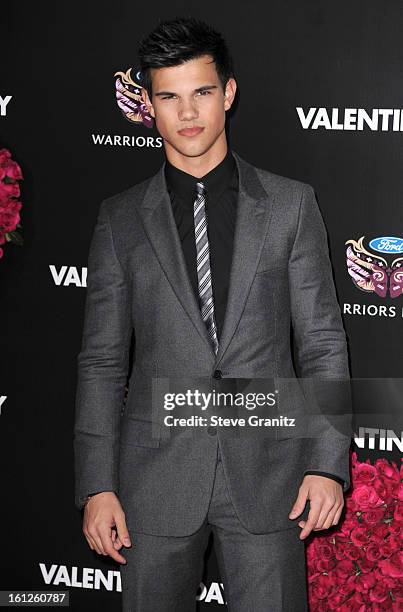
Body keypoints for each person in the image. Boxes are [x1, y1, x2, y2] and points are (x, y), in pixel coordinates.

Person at [74, 16, 352, 612]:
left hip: (270, 475)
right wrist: (97, 485)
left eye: (201, 92)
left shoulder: (290, 206)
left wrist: (327, 464)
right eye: (169, 97)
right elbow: (101, 360)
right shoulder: (120, 219)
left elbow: (324, 342)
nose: (188, 113)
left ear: (228, 92)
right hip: (155, 480)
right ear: (149, 106)